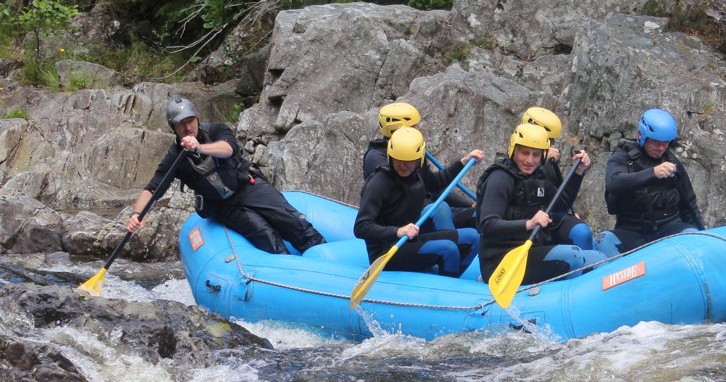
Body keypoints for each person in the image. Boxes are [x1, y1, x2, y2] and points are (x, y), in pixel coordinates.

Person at [128, 97, 325, 255]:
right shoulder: (174, 158)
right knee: (265, 235)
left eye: (190, 121)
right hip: (223, 206)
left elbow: (228, 149)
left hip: (247, 186)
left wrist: (199, 147)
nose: (188, 128)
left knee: (294, 223)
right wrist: (137, 214)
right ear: (173, 128)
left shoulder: (216, 130)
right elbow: (152, 189)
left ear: (197, 118)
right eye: (181, 125)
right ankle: (290, 276)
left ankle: (323, 259)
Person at [477, 123, 606, 285]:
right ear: (514, 149)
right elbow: (487, 226)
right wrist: (528, 224)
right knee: (572, 256)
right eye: (525, 153)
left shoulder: (537, 176)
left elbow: (561, 207)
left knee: (599, 258)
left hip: (530, 251)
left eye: (536, 155)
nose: (530, 160)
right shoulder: (500, 179)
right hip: (501, 261)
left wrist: (578, 172)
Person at [354, 127, 480, 277]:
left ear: (419, 159)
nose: (403, 165)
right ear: (390, 157)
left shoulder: (418, 171)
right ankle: (444, 288)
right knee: (449, 248)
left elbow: (436, 183)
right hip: (386, 250)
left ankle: (448, 278)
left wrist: (463, 162)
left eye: (409, 161)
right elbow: (361, 227)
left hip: (412, 239)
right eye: (398, 160)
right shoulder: (379, 183)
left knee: (474, 237)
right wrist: (397, 231)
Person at [596, 108, 705, 256]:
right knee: (602, 241)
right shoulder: (623, 157)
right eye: (655, 142)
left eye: (665, 143)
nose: (660, 148)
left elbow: (689, 203)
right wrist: (653, 173)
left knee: (693, 235)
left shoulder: (672, 163)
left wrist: (702, 234)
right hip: (632, 231)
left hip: (669, 227)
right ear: (642, 136)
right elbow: (614, 183)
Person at [362, 101, 477, 229]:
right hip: (402, 223)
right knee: (441, 209)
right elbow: (404, 195)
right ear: (399, 129)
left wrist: (468, 204)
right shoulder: (376, 157)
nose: (418, 129)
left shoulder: (413, 152)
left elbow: (433, 184)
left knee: (476, 213)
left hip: (425, 209)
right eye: (414, 126)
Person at [521, 106, 594, 250]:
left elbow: (561, 201)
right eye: (550, 138)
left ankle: (588, 270)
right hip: (527, 225)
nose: (553, 143)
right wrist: (540, 161)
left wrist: (577, 172)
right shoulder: (516, 160)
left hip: (552, 220)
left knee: (581, 231)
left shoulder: (548, 162)